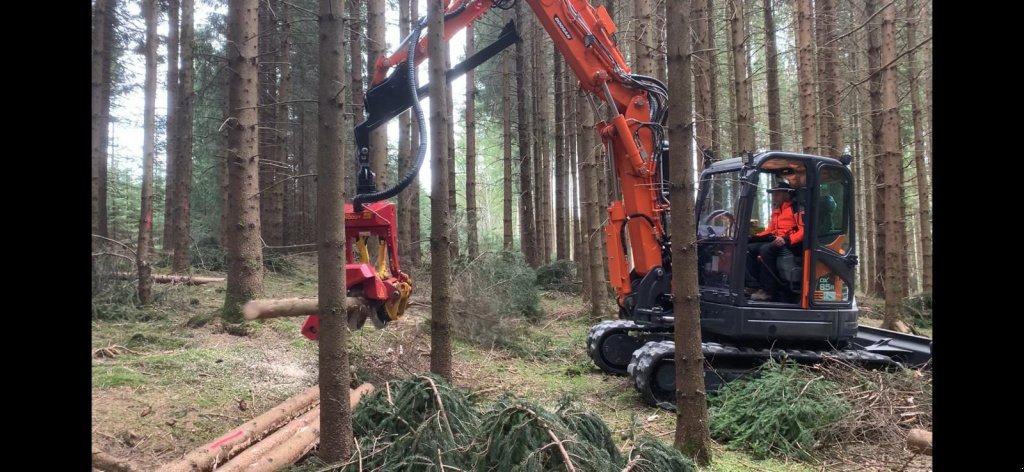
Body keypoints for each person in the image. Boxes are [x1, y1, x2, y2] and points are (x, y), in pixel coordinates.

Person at [746, 181, 804, 301]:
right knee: (749, 248)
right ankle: (753, 285)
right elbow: (770, 230)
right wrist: (754, 237)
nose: (775, 196)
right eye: (774, 193)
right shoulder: (777, 210)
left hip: (793, 244)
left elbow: (803, 231)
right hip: (777, 241)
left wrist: (787, 240)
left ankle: (768, 290)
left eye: (777, 193)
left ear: (787, 194)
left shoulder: (796, 208)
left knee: (765, 250)